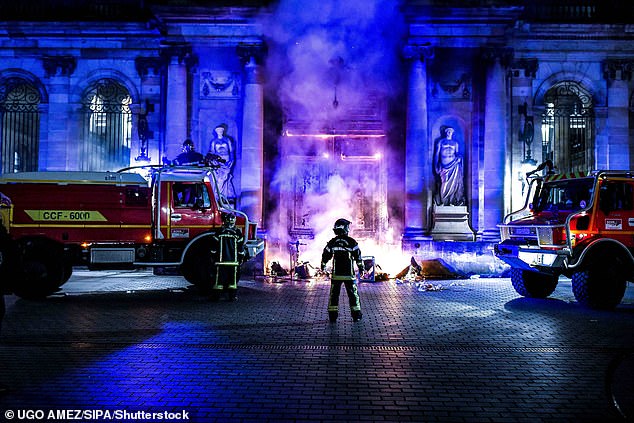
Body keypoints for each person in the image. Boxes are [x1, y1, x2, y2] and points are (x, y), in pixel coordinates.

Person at [320, 218, 363, 323]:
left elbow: (326, 255)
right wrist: (361, 268)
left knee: (334, 295)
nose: (348, 229)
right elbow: (358, 256)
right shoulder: (351, 242)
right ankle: (356, 315)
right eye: (347, 227)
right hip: (349, 274)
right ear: (344, 229)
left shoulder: (332, 242)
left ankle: (333, 316)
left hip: (337, 274)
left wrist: (323, 265)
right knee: (353, 295)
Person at [210, 212, 247, 301]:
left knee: (219, 280)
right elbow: (240, 248)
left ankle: (216, 297)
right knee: (232, 281)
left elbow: (214, 247)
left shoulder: (219, 232)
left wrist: (213, 257)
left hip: (220, 261)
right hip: (233, 262)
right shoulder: (237, 232)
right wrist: (241, 258)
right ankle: (232, 297)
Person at [433, 126, 465, 206]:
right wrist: (436, 165)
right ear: (445, 132)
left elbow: (457, 153)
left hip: (454, 164)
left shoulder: (455, 143)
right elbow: (436, 154)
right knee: (445, 182)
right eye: (448, 131)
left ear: (452, 133)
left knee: (454, 183)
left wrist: (459, 158)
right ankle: (443, 201)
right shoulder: (441, 142)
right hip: (444, 164)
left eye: (450, 132)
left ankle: (451, 201)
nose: (449, 133)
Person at [207, 124, 235, 198]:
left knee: (226, 176)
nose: (220, 132)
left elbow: (231, 151)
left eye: (221, 130)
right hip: (218, 160)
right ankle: (218, 194)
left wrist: (232, 159)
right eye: (218, 131)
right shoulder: (213, 141)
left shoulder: (227, 140)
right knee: (219, 177)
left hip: (227, 159)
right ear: (216, 132)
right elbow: (212, 152)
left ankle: (225, 194)